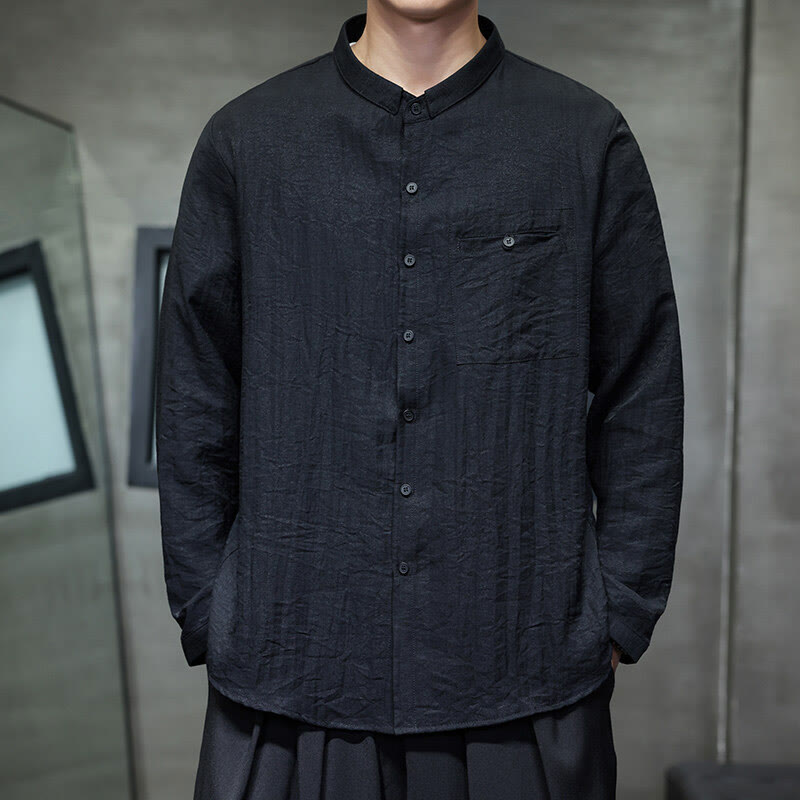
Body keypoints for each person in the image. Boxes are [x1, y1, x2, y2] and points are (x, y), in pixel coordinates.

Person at [155, 2, 684, 798]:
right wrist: (209, 606)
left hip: (523, 673)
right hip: (290, 670)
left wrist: (620, 609)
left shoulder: (582, 138)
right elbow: (194, 389)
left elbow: (642, 384)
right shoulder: (248, 142)